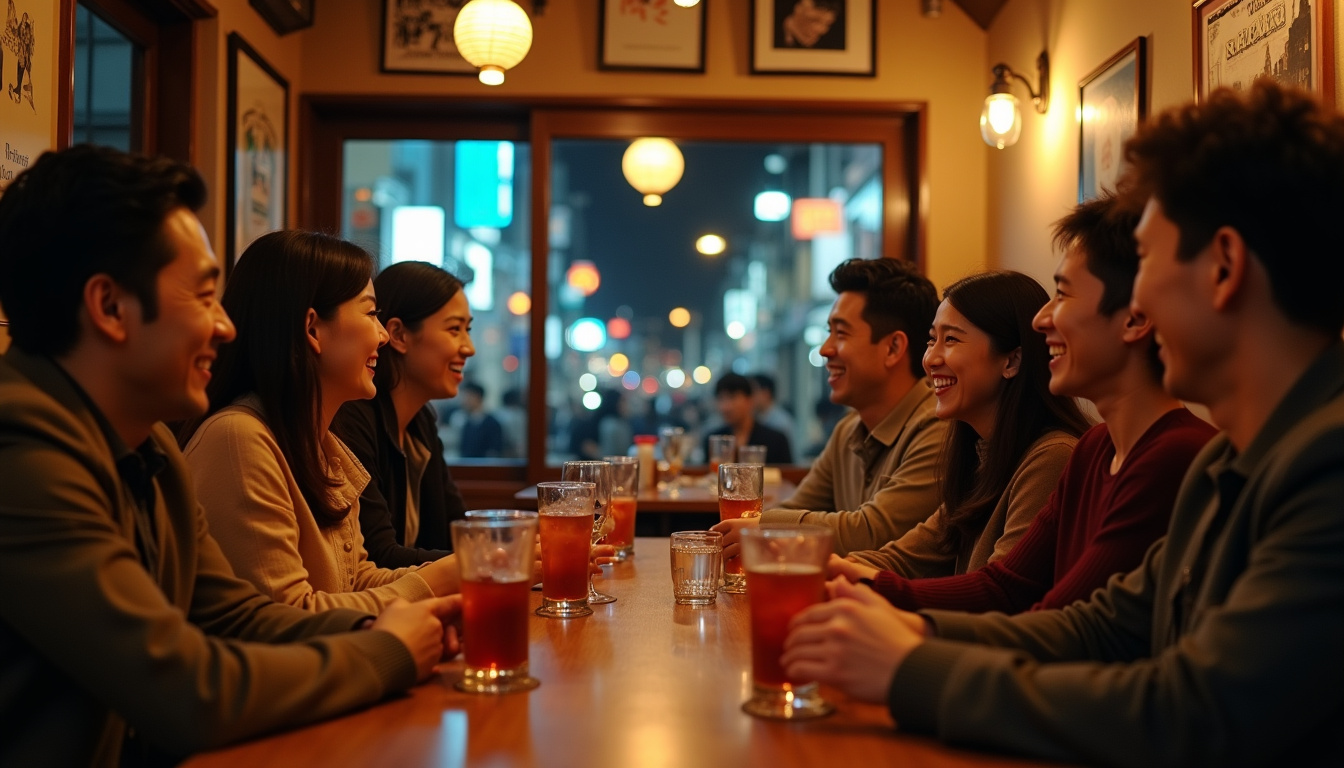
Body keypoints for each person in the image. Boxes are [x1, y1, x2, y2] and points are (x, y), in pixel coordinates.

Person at [782, 81, 1344, 765]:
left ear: (1224, 268)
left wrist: (909, 670)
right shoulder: (1231, 464)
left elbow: (1198, 711)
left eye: (1152, 262)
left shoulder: (1326, 465)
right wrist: (910, 632)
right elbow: (1100, 627)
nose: (1137, 302)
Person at [0, 146, 457, 767]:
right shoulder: (22, 456)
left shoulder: (148, 442)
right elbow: (184, 689)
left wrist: (392, 628)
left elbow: (236, 615)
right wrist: (387, 652)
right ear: (109, 307)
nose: (226, 325)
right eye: (203, 297)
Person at [832, 194, 1215, 612]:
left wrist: (888, 616)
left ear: (1136, 319)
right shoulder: (1092, 450)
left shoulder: (1151, 454)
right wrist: (842, 576)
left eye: (1063, 294)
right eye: (932, 339)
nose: (1041, 319)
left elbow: (1072, 626)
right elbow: (1007, 588)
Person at [182, 231, 464, 613]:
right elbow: (286, 614)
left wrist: (457, 572)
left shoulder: (322, 443)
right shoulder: (239, 439)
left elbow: (357, 578)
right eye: (370, 313)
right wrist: (436, 581)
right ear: (313, 329)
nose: (380, 335)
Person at [834, 271, 1089, 579]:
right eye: (932, 339)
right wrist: (826, 567)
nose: (930, 358)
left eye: (951, 339)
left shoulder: (1051, 458)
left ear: (1011, 361)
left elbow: (997, 594)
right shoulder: (981, 456)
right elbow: (903, 557)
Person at [715, 257, 945, 555]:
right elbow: (798, 506)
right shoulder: (849, 430)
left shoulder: (937, 428)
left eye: (841, 333)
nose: (825, 349)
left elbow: (871, 531)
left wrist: (759, 527)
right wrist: (756, 527)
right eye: (829, 332)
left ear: (893, 348)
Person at [329, 261, 471, 568]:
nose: (469, 347)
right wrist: (501, 558)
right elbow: (378, 556)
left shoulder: (421, 424)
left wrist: (524, 544)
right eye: (454, 329)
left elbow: (459, 532)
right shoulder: (351, 418)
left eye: (467, 330)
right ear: (398, 334)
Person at [703, 373, 792, 464]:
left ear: (750, 399)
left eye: (732, 397)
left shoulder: (776, 440)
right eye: (721, 398)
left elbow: (787, 475)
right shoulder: (714, 440)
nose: (725, 407)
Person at [456, 381, 504, 458]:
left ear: (477, 397)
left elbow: (494, 451)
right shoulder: (467, 423)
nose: (464, 401)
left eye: (467, 397)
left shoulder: (492, 424)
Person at [750, 372, 797, 442]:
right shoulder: (754, 417)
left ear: (766, 393)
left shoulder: (782, 422)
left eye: (753, 392)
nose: (750, 397)